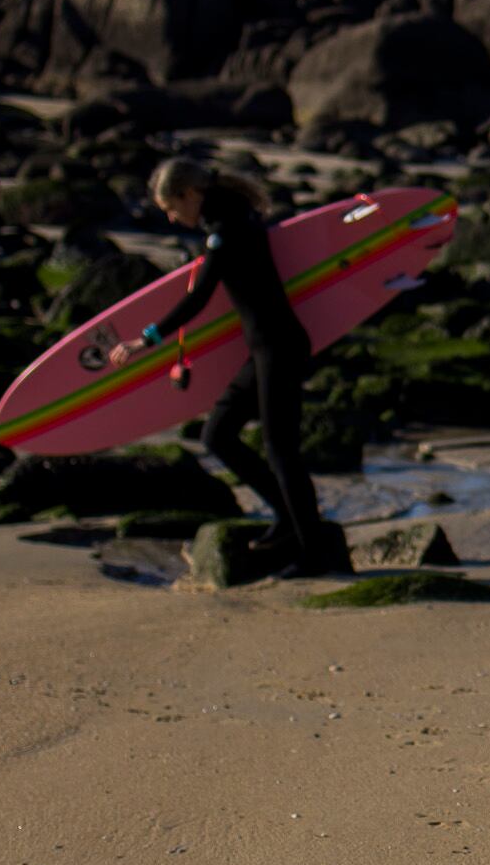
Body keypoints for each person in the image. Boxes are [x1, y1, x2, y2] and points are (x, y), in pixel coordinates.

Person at [110, 156, 346, 577]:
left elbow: (198, 300)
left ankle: (314, 551)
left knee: (281, 451)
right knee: (217, 434)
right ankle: (289, 522)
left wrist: (145, 339)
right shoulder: (233, 222)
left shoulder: (227, 232)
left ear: (190, 194)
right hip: (266, 351)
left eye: (171, 206)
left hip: (279, 349)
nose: (170, 215)